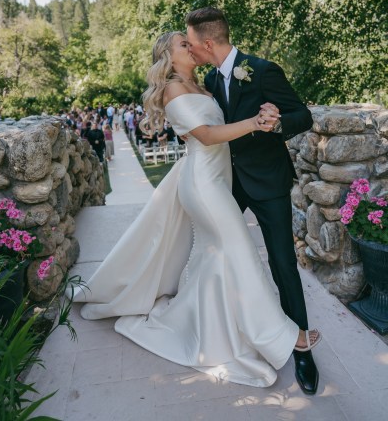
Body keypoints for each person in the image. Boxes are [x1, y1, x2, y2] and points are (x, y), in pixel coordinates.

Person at [68, 31, 321, 389]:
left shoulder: (207, 83)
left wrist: (268, 115)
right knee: (240, 250)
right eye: (182, 45)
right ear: (168, 58)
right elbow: (205, 135)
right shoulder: (173, 89)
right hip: (204, 185)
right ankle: (282, 336)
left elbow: (249, 113)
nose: (190, 47)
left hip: (223, 179)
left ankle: (209, 325)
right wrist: (254, 124)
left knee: (216, 258)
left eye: (190, 42)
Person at [186, 7, 318, 395]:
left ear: (208, 43)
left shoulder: (261, 70)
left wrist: (278, 122)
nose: (190, 49)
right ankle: (222, 327)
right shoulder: (209, 78)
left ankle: (303, 349)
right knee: (212, 249)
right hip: (226, 182)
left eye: (192, 43)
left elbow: (302, 114)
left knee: (282, 263)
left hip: (268, 182)